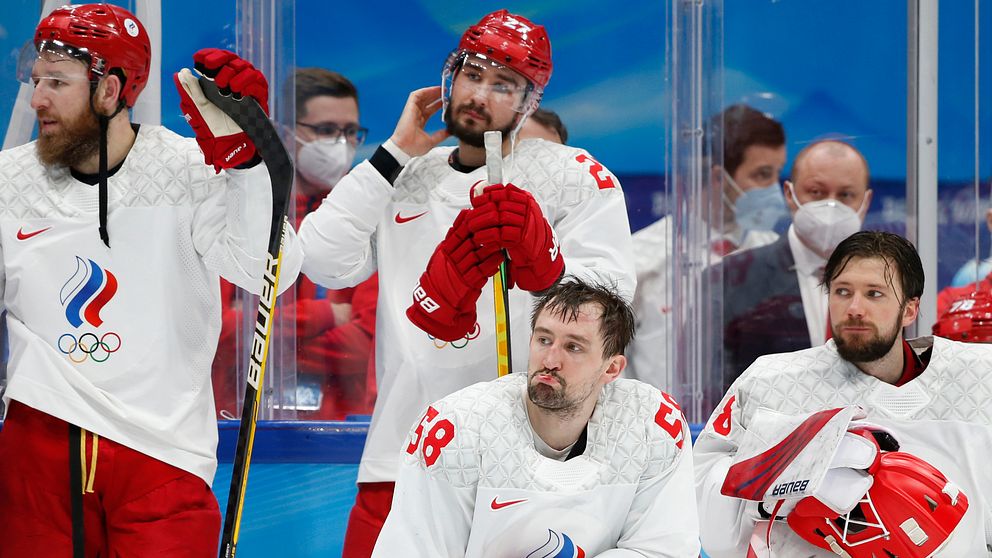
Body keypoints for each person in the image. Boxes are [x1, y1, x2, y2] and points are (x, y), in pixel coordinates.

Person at [298, 9, 636, 554]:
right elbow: (319, 259)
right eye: (472, 75)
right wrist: (393, 152)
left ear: (531, 103)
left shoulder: (574, 174)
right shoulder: (408, 174)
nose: (480, 94)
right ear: (447, 78)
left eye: (504, 85)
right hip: (403, 451)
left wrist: (548, 267)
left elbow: (614, 302)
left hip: (533, 458)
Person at [0, 5, 300, 555]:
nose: (37, 98)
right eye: (36, 79)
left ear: (110, 90)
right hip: (39, 447)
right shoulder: (7, 180)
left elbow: (269, 272)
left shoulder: (190, 168)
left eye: (56, 83)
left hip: (163, 455)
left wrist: (247, 169)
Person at [694, 231, 992, 557]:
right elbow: (702, 512)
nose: (854, 308)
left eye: (874, 294)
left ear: (909, 310)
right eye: (842, 292)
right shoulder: (769, 383)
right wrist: (773, 489)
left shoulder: (978, 379)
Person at [372, 279, 699, 556]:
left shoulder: (649, 425)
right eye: (544, 339)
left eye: (573, 347)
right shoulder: (456, 427)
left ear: (611, 368)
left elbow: (662, 548)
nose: (550, 359)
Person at [213, 68, 377, 420]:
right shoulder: (240, 208)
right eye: (326, 130)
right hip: (234, 423)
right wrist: (329, 314)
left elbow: (367, 347)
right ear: (286, 134)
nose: (341, 143)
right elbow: (213, 332)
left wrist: (253, 332)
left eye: (350, 132)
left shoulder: (368, 216)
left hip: (337, 438)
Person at [625, 104, 786, 387]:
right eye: (762, 175)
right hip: (660, 426)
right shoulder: (642, 258)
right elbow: (613, 364)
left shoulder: (777, 256)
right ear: (717, 177)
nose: (776, 189)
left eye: (777, 173)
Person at [716, 139, 872, 389]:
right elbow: (714, 388)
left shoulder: (889, 284)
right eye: (816, 192)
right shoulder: (729, 278)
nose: (831, 206)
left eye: (845, 195)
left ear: (866, 201)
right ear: (789, 194)